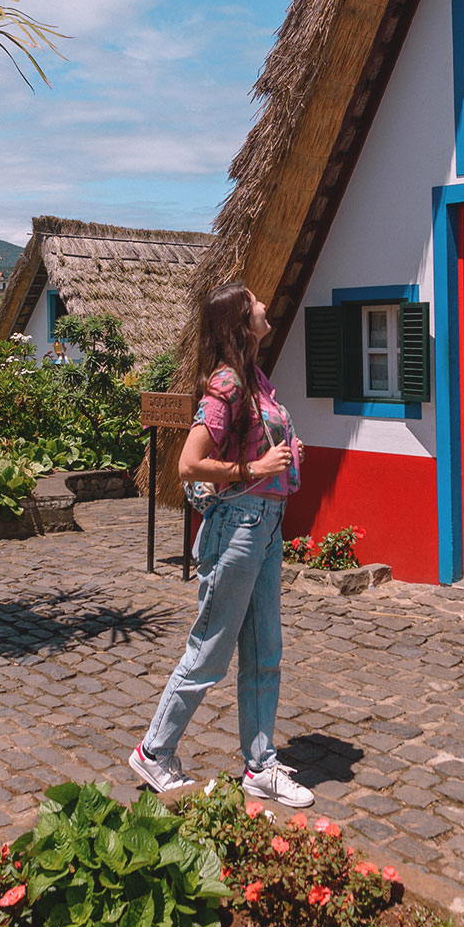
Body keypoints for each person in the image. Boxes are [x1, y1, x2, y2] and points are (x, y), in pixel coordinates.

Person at [129, 281, 313, 807]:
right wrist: (256, 467)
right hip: (239, 526)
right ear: (239, 321)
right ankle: (153, 751)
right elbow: (189, 462)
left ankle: (260, 765)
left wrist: (287, 450)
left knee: (265, 649)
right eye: (254, 302)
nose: (263, 304)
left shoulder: (255, 378)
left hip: (267, 523)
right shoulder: (228, 384)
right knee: (210, 649)